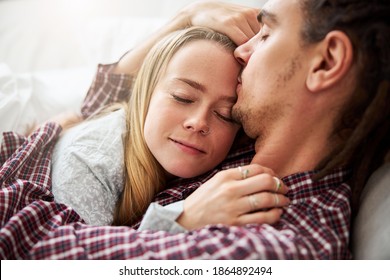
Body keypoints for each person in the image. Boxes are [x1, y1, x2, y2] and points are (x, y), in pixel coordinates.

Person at [0, 0, 388, 259]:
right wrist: (189, 17)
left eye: (267, 35)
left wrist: (175, 223)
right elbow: (113, 104)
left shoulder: (264, 246)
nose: (242, 50)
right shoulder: (246, 143)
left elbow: (23, 247)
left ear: (326, 62)